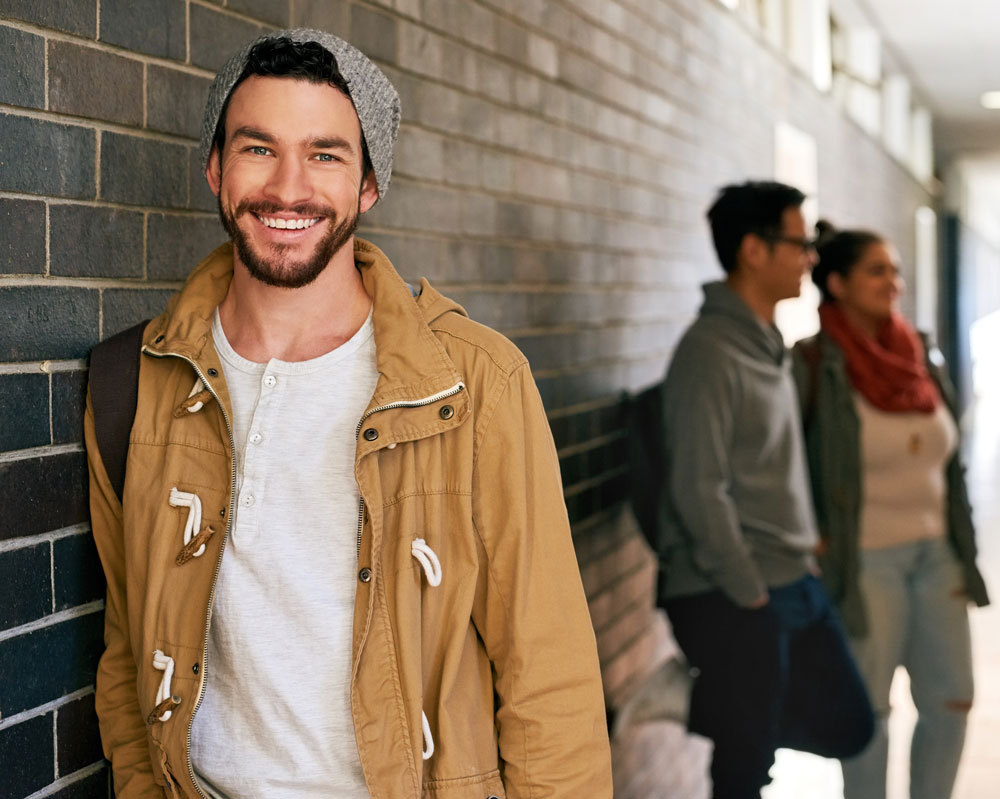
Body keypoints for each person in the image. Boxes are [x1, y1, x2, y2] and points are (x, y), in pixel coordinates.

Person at [84, 28, 613, 799]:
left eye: (325, 154)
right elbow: (128, 648)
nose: (288, 187)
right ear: (214, 167)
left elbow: (550, 679)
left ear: (369, 184)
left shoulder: (473, 383)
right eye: (257, 148)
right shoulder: (136, 379)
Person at [656, 181, 874, 799]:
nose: (810, 256)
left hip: (791, 577)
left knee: (849, 724)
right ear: (754, 249)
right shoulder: (710, 353)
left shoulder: (766, 344)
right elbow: (698, 485)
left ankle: (703, 702)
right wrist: (746, 589)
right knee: (746, 769)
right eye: (799, 243)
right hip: (735, 590)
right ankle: (719, 707)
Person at [793, 221, 990, 799]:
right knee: (869, 714)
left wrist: (965, 545)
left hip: (938, 557)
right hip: (865, 563)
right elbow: (787, 462)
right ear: (838, 283)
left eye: (896, 271)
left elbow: (949, 467)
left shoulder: (919, 357)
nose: (893, 283)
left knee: (952, 700)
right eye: (877, 270)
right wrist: (814, 539)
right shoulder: (811, 365)